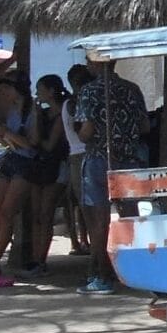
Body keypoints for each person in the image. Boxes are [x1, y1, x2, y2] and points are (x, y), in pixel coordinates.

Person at [71, 56, 150, 296]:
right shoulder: (132, 89)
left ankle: (101, 274)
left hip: (98, 159)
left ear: (95, 64)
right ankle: (138, 271)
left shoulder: (88, 92)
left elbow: (86, 133)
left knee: (98, 221)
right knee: (132, 218)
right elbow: (145, 126)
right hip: (128, 159)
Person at [13, 75, 70, 278]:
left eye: (40, 89)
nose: (37, 93)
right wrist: (36, 115)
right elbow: (36, 139)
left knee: (46, 214)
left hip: (56, 165)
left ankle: (41, 260)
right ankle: (36, 258)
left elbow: (49, 144)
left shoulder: (62, 114)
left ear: (51, 91)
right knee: (37, 215)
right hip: (40, 166)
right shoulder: (44, 114)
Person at [0, 74, 37, 279]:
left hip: (25, 164)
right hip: (10, 159)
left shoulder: (33, 111)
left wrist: (8, 134)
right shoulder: (12, 110)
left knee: (6, 213)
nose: (4, 93)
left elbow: (32, 143)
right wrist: (3, 135)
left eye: (7, 89)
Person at [62, 64, 93, 254]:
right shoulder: (77, 102)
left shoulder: (69, 103)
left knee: (82, 204)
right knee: (87, 205)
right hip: (82, 152)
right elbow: (79, 129)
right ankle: (87, 241)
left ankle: (84, 241)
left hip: (75, 155)